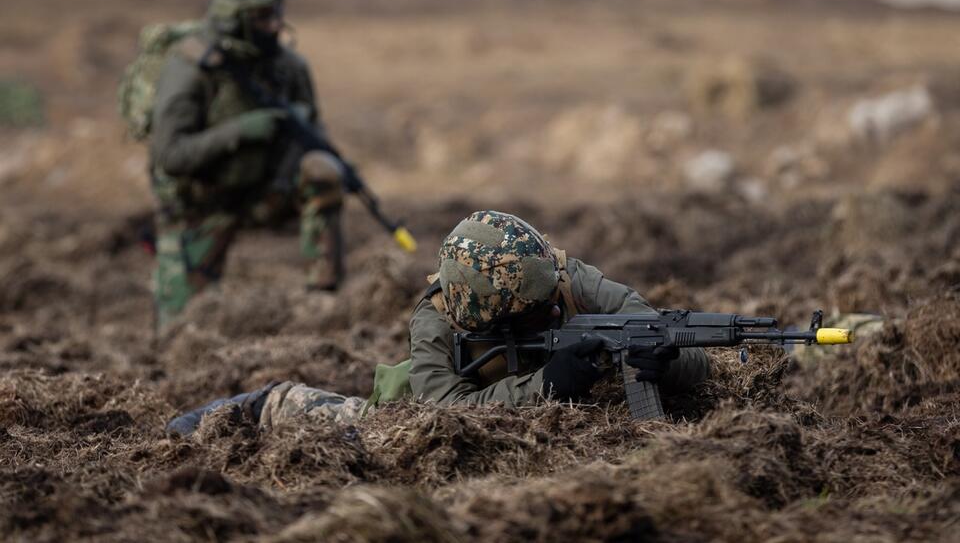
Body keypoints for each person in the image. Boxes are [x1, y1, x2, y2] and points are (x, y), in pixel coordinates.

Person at [167, 210, 710, 435]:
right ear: (492, 311)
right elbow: (441, 414)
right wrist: (546, 385)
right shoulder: (437, 321)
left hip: (526, 416)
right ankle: (247, 406)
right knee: (318, 418)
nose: (550, 308)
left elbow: (663, 333)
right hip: (403, 410)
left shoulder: (570, 281)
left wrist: (665, 361)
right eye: (531, 309)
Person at [150, 0, 347, 330]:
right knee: (178, 332)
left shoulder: (288, 67)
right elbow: (169, 155)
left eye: (276, 13)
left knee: (324, 170)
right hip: (200, 204)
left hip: (263, 190)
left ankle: (323, 300)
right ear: (232, 17)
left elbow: (317, 136)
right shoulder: (188, 70)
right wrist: (242, 131)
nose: (274, 26)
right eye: (261, 17)